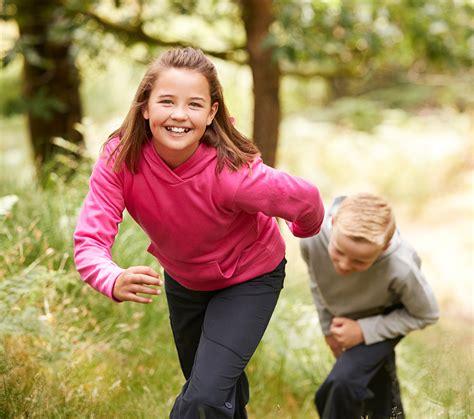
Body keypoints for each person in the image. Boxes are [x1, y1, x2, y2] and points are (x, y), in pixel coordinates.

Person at [74, 47, 325, 418]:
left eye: (194, 104)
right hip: (186, 281)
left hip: (249, 278)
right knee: (215, 393)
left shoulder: (232, 174)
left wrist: (305, 229)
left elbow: (305, 199)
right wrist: (111, 277)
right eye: (167, 102)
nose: (179, 115)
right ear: (145, 107)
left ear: (211, 113)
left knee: (204, 398)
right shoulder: (121, 158)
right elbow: (90, 240)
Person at [300, 193, 439, 419]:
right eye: (339, 252)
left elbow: (427, 313)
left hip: (385, 316)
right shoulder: (312, 238)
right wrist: (328, 329)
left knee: (341, 386)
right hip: (345, 319)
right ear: (333, 223)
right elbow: (318, 283)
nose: (344, 265)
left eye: (359, 261)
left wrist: (364, 331)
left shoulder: (401, 266)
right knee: (377, 389)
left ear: (383, 248)